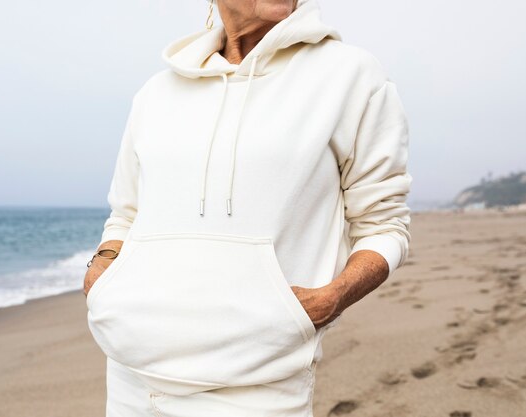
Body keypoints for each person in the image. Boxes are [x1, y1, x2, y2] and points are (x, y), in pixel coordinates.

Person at [83, 0, 413, 415]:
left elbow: (384, 225)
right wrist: (104, 268)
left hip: (260, 383)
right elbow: (126, 213)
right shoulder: (156, 93)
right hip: (132, 376)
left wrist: (332, 297)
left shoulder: (351, 76)